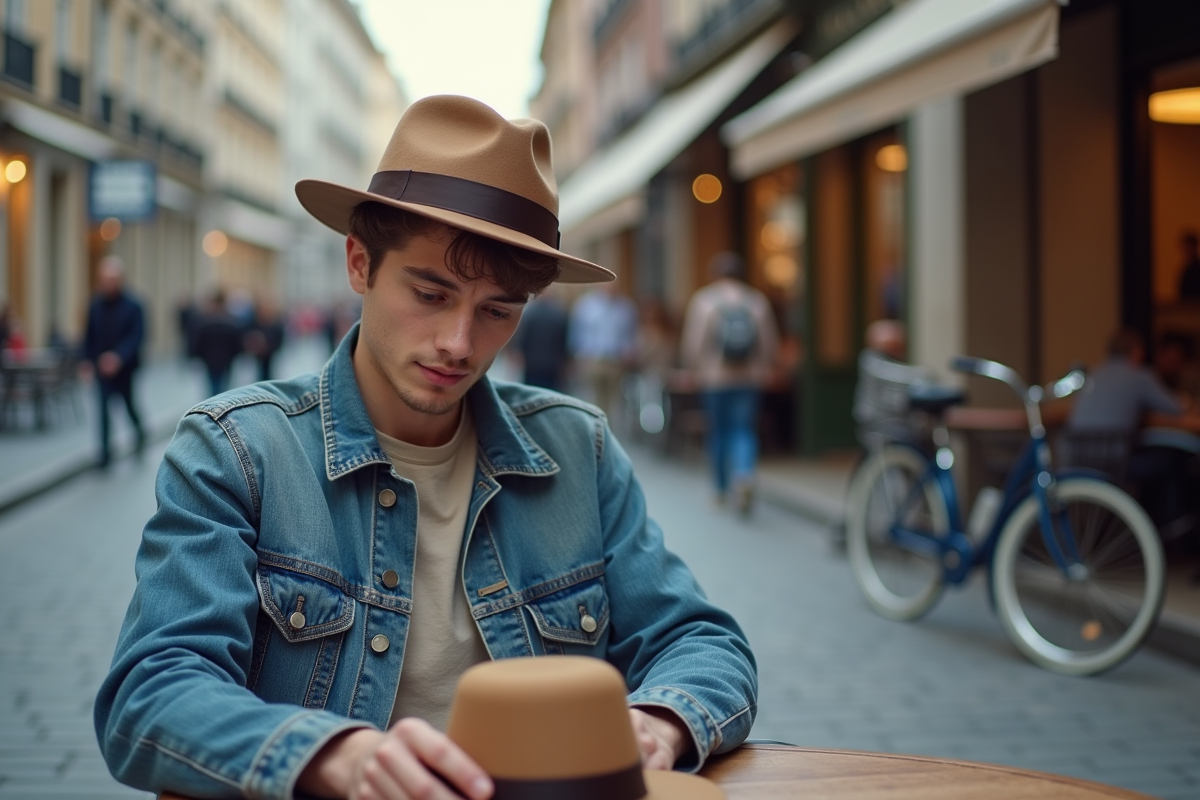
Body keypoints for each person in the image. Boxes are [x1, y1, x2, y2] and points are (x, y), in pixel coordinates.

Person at [95, 95, 757, 800]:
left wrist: (659, 720)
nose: (459, 343)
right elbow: (152, 690)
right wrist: (336, 758)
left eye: (497, 311)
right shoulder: (237, 449)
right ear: (359, 264)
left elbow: (701, 641)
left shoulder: (577, 447)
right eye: (431, 293)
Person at [1068, 328, 1197, 540]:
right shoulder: (1140, 376)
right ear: (1136, 352)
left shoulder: (1092, 375)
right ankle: (1174, 528)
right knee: (1175, 460)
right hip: (1117, 463)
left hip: (1079, 459)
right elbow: (1175, 407)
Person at [680, 251, 779, 515]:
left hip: (714, 378)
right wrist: (768, 367)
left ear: (716, 274)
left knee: (719, 430)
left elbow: (694, 342)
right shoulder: (756, 302)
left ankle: (721, 488)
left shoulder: (704, 301)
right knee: (743, 429)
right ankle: (744, 474)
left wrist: (692, 369)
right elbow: (769, 342)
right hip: (750, 377)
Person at [82, 256, 146, 468]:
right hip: (102, 369)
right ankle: (104, 455)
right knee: (102, 410)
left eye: (112, 279)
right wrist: (86, 361)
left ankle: (140, 433)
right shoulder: (95, 304)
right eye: (104, 278)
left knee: (128, 406)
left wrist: (118, 357)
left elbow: (137, 336)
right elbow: (89, 335)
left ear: (120, 279)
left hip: (125, 369)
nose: (108, 283)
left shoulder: (134, 305)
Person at [568, 282, 638, 421]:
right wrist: (578, 357)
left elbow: (630, 333)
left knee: (614, 400)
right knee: (593, 397)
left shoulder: (625, 307)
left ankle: (608, 431)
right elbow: (577, 332)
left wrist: (629, 352)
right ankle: (594, 428)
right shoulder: (586, 305)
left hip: (615, 360)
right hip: (593, 358)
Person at [509, 284, 570, 390]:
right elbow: (564, 341)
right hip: (552, 364)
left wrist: (518, 354)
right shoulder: (559, 314)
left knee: (531, 391)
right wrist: (565, 361)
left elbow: (523, 337)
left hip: (532, 362)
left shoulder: (530, 313)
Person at [190, 289, 247, 396]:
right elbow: (238, 342)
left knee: (214, 386)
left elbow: (197, 341)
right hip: (224, 359)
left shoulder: (204, 320)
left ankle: (214, 405)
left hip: (212, 358)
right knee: (223, 386)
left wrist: (195, 355)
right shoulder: (231, 320)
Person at [244, 297, 287, 382]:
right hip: (259, 352)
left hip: (270, 351)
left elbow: (279, 337)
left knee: (268, 370)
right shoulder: (255, 323)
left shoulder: (274, 324)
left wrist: (270, 347)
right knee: (259, 370)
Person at [1178, 231, 1200, 301]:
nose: (1188, 250)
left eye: (1190, 247)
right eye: (1187, 247)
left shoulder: (1194, 269)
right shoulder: (1186, 269)